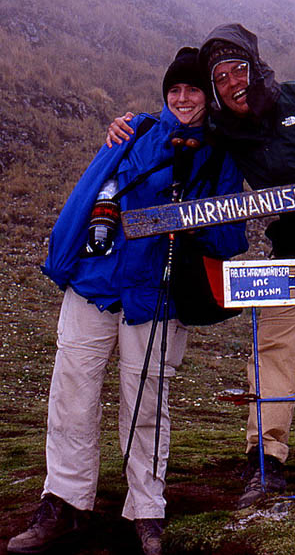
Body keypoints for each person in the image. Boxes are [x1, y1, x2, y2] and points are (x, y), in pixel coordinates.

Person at [105, 24, 295, 511]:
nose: (231, 82)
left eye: (238, 69)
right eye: (220, 76)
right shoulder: (229, 131)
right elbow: (181, 123)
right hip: (293, 252)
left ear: (256, 66)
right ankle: (266, 461)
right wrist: (131, 124)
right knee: (274, 351)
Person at [7, 47, 248, 555]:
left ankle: (147, 509)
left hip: (155, 296)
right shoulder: (134, 132)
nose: (182, 99)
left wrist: (194, 219)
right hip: (95, 283)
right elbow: (92, 191)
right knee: (71, 395)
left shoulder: (222, 153)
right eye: (174, 90)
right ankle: (65, 503)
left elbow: (230, 242)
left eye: (193, 90)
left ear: (207, 97)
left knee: (147, 403)